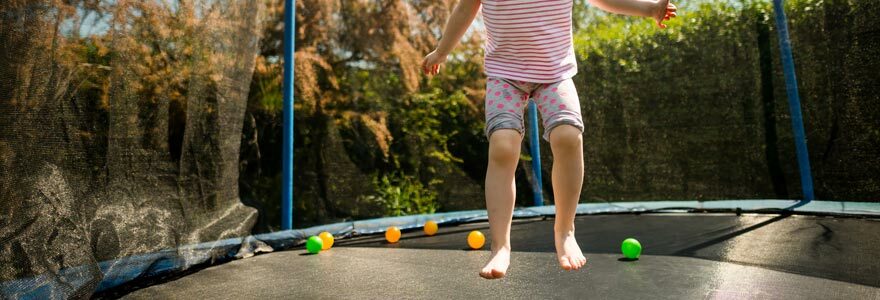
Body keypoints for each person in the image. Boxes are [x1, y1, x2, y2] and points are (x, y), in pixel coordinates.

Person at [421, 0, 676, 279]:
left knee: (568, 136)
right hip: (505, 76)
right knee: (503, 145)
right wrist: (442, 51)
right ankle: (500, 246)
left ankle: (565, 230)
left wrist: (649, 9)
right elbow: (465, 8)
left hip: (555, 74)